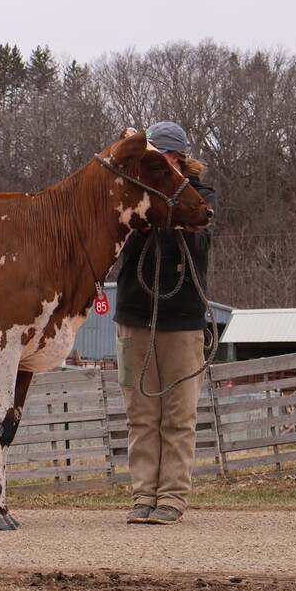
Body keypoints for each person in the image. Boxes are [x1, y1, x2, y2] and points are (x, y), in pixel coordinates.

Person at [113, 121, 217, 525]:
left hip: (183, 320)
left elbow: (203, 241)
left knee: (178, 414)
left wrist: (176, 216)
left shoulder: (199, 195)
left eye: (163, 159)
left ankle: (172, 496)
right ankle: (143, 495)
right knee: (140, 413)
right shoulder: (130, 194)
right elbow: (114, 241)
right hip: (133, 317)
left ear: (178, 159)